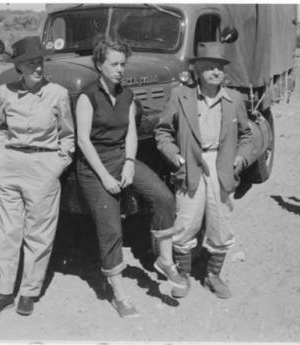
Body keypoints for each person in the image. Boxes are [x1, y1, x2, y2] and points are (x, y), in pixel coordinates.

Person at [75, 40, 186, 318]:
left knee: (163, 198)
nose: (120, 69)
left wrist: (127, 165)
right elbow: (83, 141)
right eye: (114, 64)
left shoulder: (127, 95)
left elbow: (131, 135)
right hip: (94, 166)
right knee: (111, 229)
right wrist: (105, 176)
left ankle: (165, 259)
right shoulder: (87, 97)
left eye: (123, 64)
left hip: (121, 158)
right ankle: (120, 295)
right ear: (99, 65)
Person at [0, 36, 75, 316]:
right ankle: (4, 291)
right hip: (10, 165)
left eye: (40, 61)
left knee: (38, 233)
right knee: (7, 231)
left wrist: (56, 165)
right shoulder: (5, 91)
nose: (37, 67)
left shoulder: (57, 93)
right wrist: (1, 155)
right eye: (30, 62)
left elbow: (68, 136)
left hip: (43, 166)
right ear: (18, 66)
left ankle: (29, 292)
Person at [155, 42, 254, 299]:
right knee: (186, 222)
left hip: (221, 167)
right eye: (208, 67)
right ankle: (184, 275)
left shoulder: (234, 100)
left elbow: (246, 136)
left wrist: (239, 160)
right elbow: (163, 131)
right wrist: (174, 156)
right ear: (196, 71)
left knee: (221, 225)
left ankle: (213, 276)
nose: (215, 72)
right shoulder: (181, 95)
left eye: (219, 67)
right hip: (190, 166)